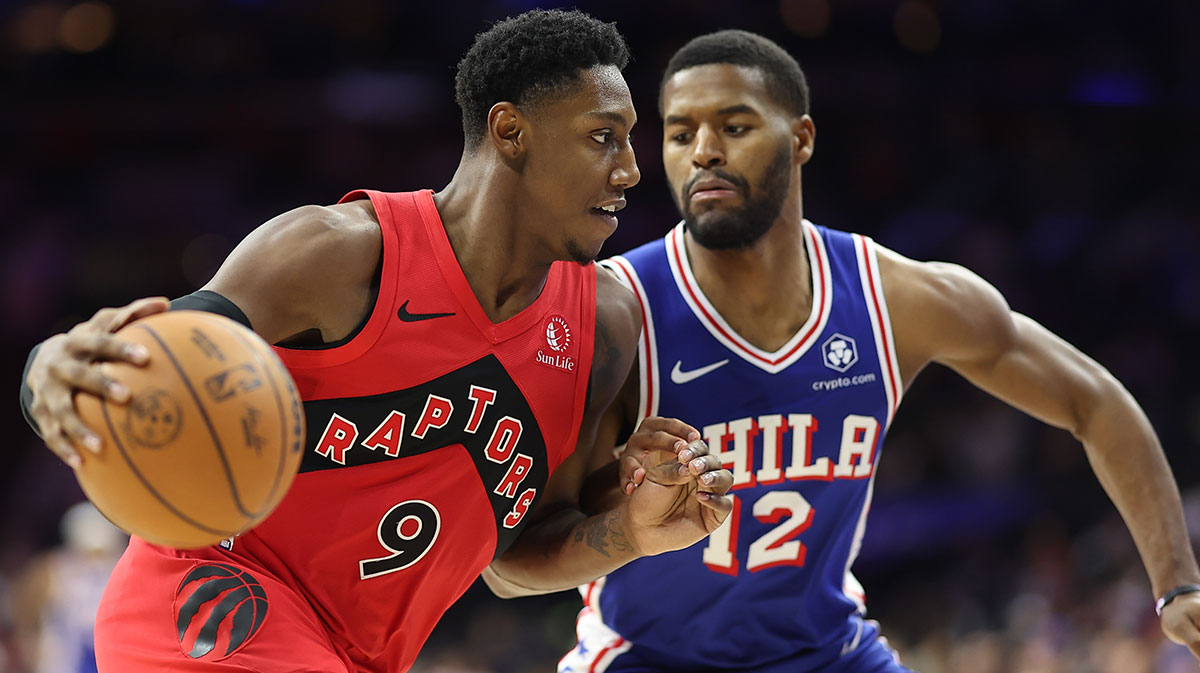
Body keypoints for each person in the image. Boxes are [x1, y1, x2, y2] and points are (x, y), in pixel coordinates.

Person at [18, 11, 734, 673]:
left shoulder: (601, 326)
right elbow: (148, 361)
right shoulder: (336, 255)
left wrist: (631, 532)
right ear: (511, 132)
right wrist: (50, 368)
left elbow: (512, 560)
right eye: (603, 136)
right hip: (210, 599)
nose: (632, 170)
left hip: (356, 654)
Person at [554, 30, 1200, 673]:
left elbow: (1095, 399)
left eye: (736, 126)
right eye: (680, 132)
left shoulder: (894, 297)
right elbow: (534, 539)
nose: (704, 152)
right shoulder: (619, 311)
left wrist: (1177, 585)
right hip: (648, 657)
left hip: (829, 652)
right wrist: (622, 504)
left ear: (802, 137)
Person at [12, 502, 126, 673]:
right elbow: (25, 618)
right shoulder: (50, 570)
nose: (94, 564)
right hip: (64, 660)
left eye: (101, 554)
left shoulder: (125, 567)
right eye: (87, 554)